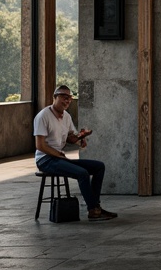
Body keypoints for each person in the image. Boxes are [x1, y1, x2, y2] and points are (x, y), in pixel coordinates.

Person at [34, 85, 118, 220]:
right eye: (64, 97)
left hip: (59, 158)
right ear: (55, 97)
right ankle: (93, 210)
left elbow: (70, 137)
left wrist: (81, 138)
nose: (67, 101)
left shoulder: (66, 116)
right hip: (46, 160)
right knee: (82, 174)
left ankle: (95, 206)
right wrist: (58, 155)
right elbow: (40, 145)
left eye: (69, 98)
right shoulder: (43, 116)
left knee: (98, 167)